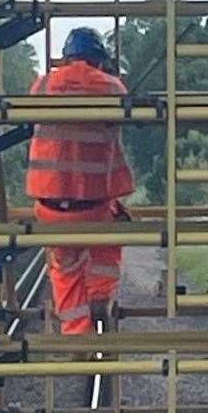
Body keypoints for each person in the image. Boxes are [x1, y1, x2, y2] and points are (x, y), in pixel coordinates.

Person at [26, 27, 135, 335]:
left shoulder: (43, 85)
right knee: (109, 240)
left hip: (50, 210)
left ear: (66, 56)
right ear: (99, 60)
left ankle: (76, 332)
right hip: (95, 210)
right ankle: (100, 295)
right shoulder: (111, 87)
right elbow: (122, 105)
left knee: (64, 266)